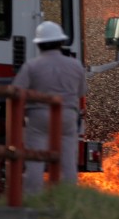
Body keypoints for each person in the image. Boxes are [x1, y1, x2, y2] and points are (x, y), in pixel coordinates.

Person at [11, 20, 87, 193]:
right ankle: (68, 197)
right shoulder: (75, 65)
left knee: (35, 160)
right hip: (67, 115)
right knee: (68, 161)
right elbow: (81, 91)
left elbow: (16, 92)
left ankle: (33, 197)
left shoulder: (32, 65)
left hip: (39, 115)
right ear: (61, 42)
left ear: (39, 44)